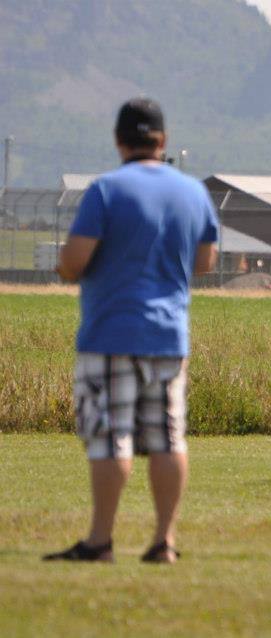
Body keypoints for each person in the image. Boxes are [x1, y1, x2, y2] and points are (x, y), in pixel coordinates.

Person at [43, 97, 219, 563]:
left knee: (110, 437)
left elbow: (73, 262)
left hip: (111, 334)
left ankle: (101, 541)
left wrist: (71, 265)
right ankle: (164, 542)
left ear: (119, 140)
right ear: (163, 140)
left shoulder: (106, 190)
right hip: (168, 337)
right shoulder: (193, 192)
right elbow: (205, 262)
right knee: (168, 439)